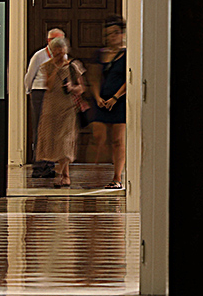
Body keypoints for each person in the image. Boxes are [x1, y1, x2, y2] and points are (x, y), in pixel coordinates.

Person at [28, 33, 84, 188]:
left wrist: (71, 87)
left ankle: (62, 173)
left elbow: (81, 88)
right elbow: (49, 85)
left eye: (61, 51)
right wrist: (56, 69)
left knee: (65, 141)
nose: (59, 54)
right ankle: (63, 174)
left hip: (67, 108)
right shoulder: (47, 66)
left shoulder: (73, 66)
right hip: (51, 108)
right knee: (54, 141)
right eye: (56, 52)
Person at [89, 16, 128, 190]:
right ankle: (95, 173)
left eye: (115, 33)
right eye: (109, 34)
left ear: (122, 34)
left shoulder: (127, 54)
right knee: (98, 136)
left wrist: (116, 97)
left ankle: (117, 177)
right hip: (102, 101)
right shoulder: (100, 54)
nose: (112, 37)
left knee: (118, 140)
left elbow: (129, 78)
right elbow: (94, 77)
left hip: (119, 101)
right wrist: (98, 97)